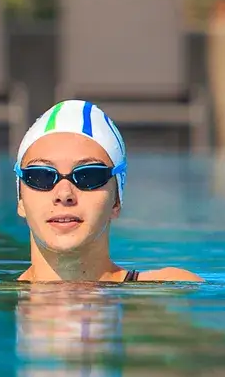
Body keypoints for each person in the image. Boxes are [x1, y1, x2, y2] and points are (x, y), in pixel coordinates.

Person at [13, 99, 201, 284]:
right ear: (20, 199)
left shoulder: (169, 290)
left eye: (88, 176)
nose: (64, 194)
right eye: (41, 176)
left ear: (116, 200)